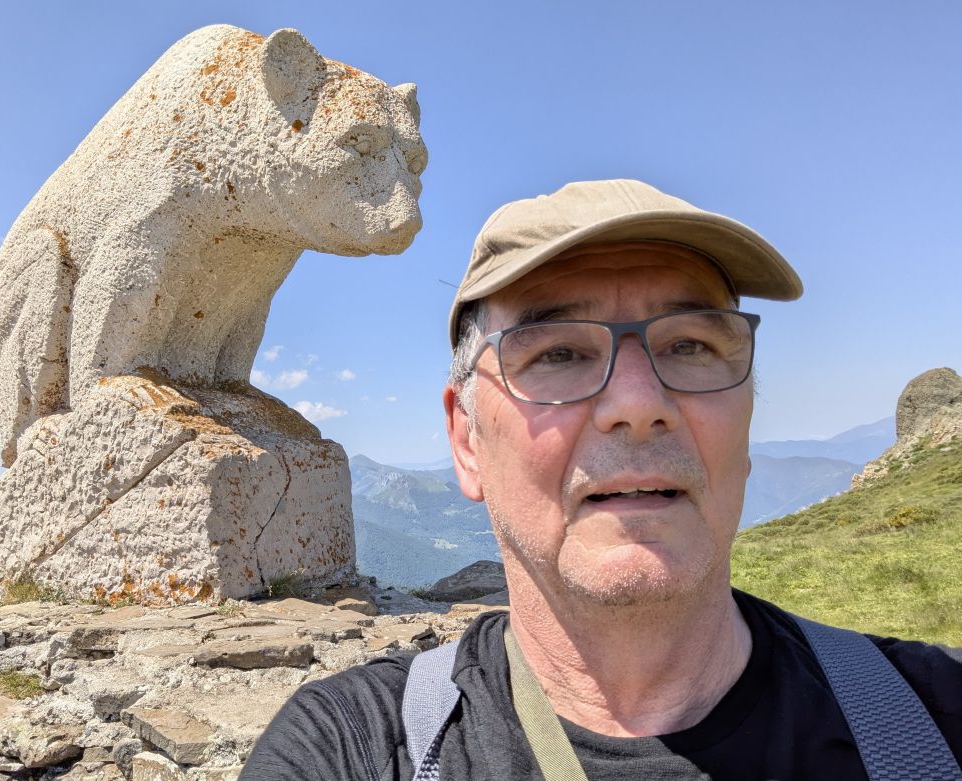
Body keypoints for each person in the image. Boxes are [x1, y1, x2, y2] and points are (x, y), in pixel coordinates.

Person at [240, 179, 962, 780]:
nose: (639, 404)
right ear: (467, 439)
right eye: (556, 354)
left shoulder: (931, 722)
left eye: (690, 344)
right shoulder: (355, 751)